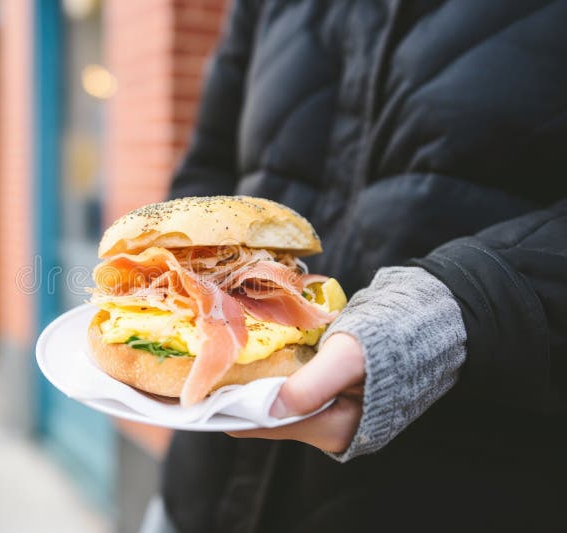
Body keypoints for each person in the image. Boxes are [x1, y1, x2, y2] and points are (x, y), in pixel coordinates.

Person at [155, 1, 567, 532]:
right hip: (200, 489)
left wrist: (456, 307)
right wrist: (186, 282)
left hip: (458, 491)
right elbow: (208, 166)